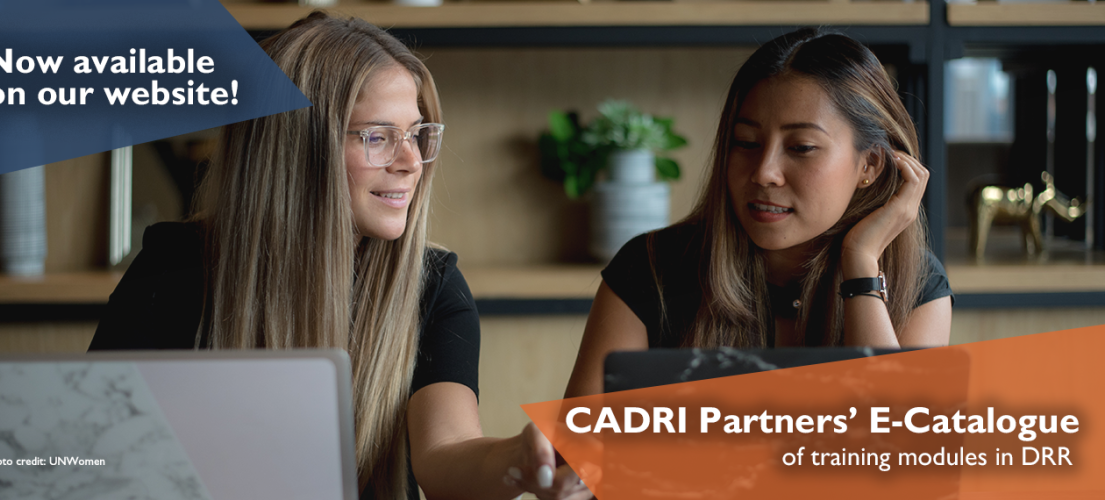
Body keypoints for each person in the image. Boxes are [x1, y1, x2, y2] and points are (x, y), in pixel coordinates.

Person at [90, 13, 589, 500]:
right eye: (376, 137)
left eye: (417, 133)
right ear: (295, 150)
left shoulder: (432, 285)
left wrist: (519, 461)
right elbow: (95, 446)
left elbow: (447, 454)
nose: (412, 162)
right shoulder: (175, 266)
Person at [565, 28, 953, 398]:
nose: (764, 172)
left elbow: (896, 456)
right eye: (746, 142)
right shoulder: (650, 269)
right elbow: (576, 457)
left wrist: (861, 265)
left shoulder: (916, 282)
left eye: (801, 147)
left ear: (869, 164)